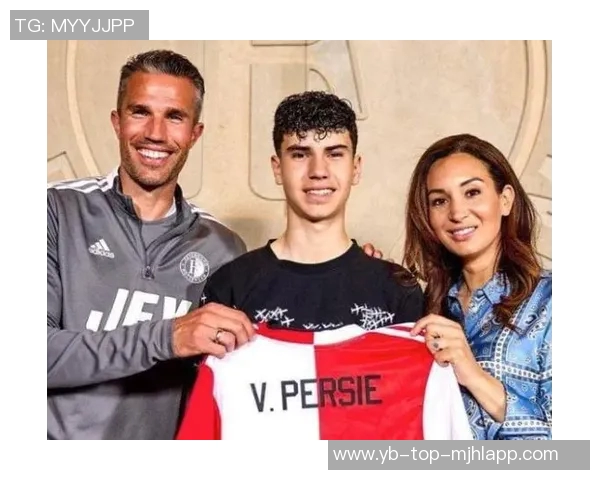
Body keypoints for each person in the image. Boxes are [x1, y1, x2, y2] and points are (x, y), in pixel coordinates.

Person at [47, 50, 385, 440]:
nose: (155, 132)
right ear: (117, 121)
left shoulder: (223, 248)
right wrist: (167, 337)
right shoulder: (55, 209)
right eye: (140, 112)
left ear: (195, 133)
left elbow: (269, 363)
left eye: (175, 117)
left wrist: (356, 271)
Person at [174, 91, 431, 439]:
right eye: (300, 154)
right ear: (276, 168)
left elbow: (415, 420)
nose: (318, 172)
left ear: (356, 168)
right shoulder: (230, 286)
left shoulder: (397, 289)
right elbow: (205, 421)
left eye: (335, 154)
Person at [402, 133, 552, 440]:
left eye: (472, 192)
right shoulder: (428, 308)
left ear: (505, 199)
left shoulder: (551, 301)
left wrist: (473, 375)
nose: (457, 213)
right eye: (440, 201)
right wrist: (367, 276)